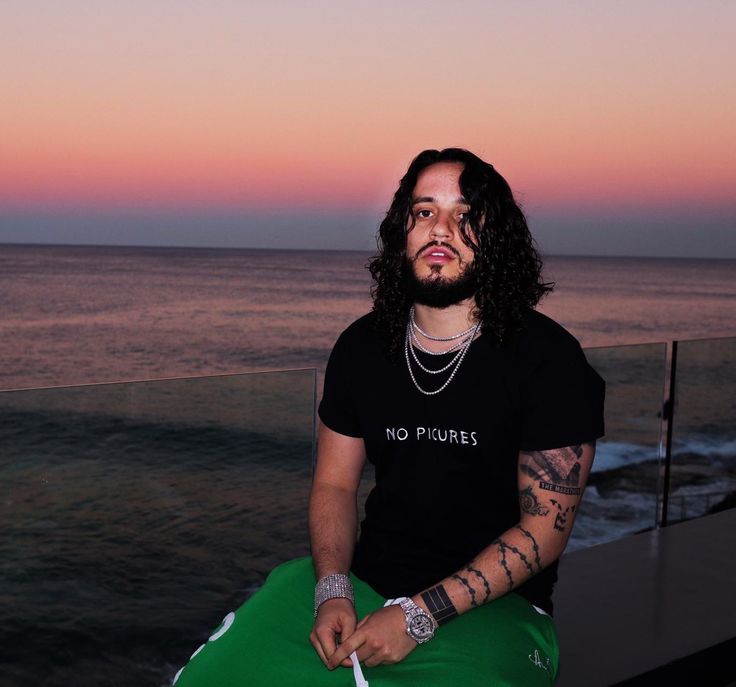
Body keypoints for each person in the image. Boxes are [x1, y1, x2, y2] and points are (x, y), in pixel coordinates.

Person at [173, 148, 605, 687]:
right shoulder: (362, 346)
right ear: (402, 230)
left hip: (499, 604)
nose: (441, 229)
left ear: (496, 239)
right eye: (424, 212)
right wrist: (333, 588)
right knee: (212, 677)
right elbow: (333, 484)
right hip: (364, 581)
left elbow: (543, 531)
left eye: (466, 215)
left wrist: (419, 614)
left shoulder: (548, 359)